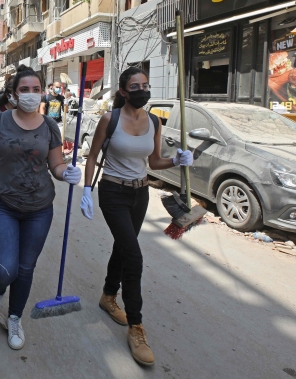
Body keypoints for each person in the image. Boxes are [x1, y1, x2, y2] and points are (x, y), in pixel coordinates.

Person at [0, 65, 82, 350]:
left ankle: (14, 318)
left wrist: (66, 174)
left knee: (25, 268)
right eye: (24, 90)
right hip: (2, 203)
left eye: (36, 90)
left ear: (43, 93)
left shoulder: (50, 126)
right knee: (5, 269)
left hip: (39, 208)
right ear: (13, 94)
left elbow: (56, 164)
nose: (31, 95)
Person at [81, 67, 193, 367]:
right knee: (134, 256)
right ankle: (136, 325)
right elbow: (92, 156)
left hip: (140, 194)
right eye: (135, 86)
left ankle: (107, 295)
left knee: (123, 246)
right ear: (123, 91)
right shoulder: (110, 119)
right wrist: (86, 189)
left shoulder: (154, 121)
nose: (141, 90)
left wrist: (177, 160)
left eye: (145, 85)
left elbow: (154, 161)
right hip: (113, 193)